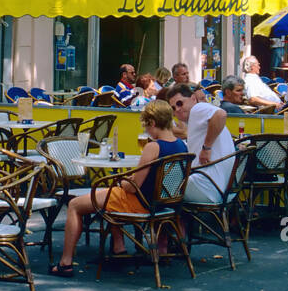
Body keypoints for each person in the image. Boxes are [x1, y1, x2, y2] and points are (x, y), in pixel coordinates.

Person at [51, 100, 189, 276]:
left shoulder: (153, 147)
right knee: (109, 195)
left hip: (140, 204)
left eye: (147, 126)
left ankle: (65, 262)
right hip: (164, 203)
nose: (146, 130)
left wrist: (122, 181)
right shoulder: (181, 146)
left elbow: (133, 187)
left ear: (153, 123)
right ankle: (119, 248)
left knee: (75, 205)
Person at [168, 84, 234, 203]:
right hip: (223, 190)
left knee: (157, 185)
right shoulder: (195, 118)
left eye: (179, 103)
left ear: (193, 99)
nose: (177, 109)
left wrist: (207, 148)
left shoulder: (197, 108)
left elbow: (221, 115)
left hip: (206, 187)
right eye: (173, 108)